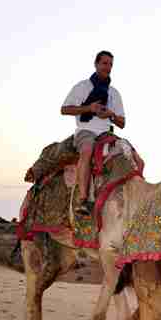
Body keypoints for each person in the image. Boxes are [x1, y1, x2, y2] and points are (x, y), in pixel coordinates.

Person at [61, 51, 126, 216]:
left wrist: (110, 114)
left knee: (129, 154)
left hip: (106, 133)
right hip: (86, 130)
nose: (108, 67)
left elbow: (122, 123)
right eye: (104, 63)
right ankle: (83, 199)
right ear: (96, 64)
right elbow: (65, 109)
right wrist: (89, 109)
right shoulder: (82, 87)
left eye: (111, 64)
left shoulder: (113, 93)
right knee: (87, 151)